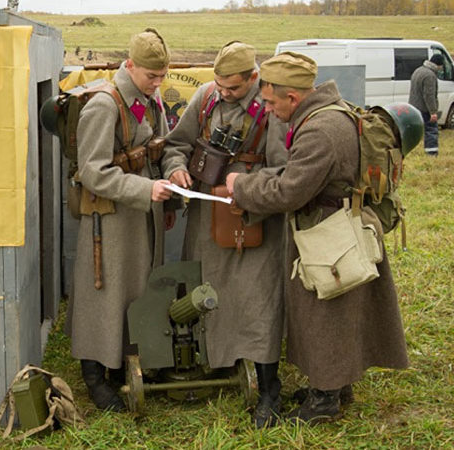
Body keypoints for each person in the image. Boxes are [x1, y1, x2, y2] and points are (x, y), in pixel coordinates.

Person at [225, 52, 409, 424]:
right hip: (338, 226)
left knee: (324, 314)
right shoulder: (332, 112)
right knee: (338, 312)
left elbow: (289, 192)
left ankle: (324, 401)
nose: (269, 109)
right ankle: (336, 386)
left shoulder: (319, 131)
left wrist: (241, 186)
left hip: (329, 234)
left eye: (272, 102)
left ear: (292, 98)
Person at [160, 41, 288, 428]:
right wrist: (175, 169)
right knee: (205, 289)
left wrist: (243, 186)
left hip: (254, 218)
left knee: (258, 299)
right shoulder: (205, 98)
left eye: (233, 88)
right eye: (220, 86)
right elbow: (176, 145)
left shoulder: (272, 111)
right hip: (205, 215)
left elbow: (285, 172)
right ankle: (213, 363)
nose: (224, 94)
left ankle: (269, 388)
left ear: (254, 77)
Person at [67, 28, 173, 412]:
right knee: (105, 294)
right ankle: (95, 373)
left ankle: (123, 362)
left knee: (136, 287)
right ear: (130, 66)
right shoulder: (104, 106)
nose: (158, 83)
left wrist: (167, 184)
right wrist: (144, 191)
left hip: (142, 211)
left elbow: (162, 146)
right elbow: (92, 172)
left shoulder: (151, 99)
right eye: (151, 76)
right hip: (109, 217)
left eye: (162, 76)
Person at [409, 53, 444, 156]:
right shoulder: (430, 75)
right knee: (431, 131)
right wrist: (433, 112)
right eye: (441, 66)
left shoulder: (418, 70)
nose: (441, 68)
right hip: (424, 109)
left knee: (413, 132)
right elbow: (429, 95)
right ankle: (431, 152)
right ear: (438, 65)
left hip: (414, 107)